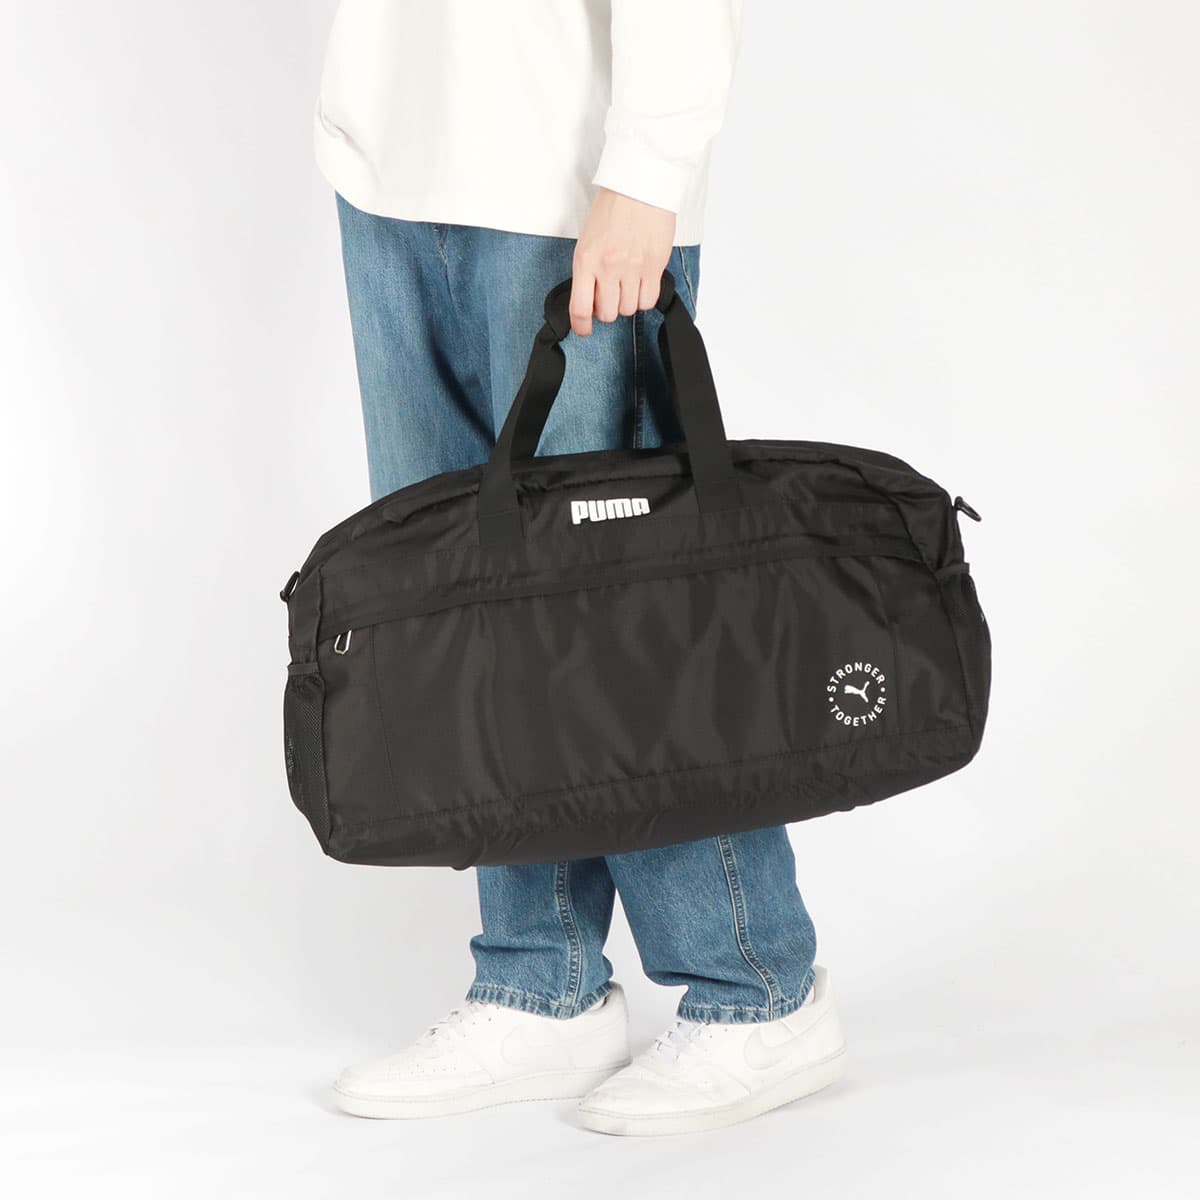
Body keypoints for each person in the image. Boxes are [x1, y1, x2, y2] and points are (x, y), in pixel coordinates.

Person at [314, 1, 846, 1136]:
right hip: (391, 169)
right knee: (462, 618)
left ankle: (757, 987)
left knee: (627, 614)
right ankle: (538, 980)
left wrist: (648, 171)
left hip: (566, 182)